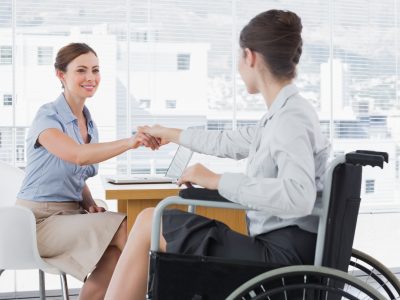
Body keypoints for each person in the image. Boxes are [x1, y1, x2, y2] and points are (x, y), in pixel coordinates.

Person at [104, 9, 331, 300]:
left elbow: (299, 196)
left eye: (239, 58)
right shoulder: (283, 114)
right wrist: (171, 134)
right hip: (279, 249)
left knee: (151, 220)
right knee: (154, 220)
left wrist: (215, 179)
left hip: (280, 260)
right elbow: (228, 141)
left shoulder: (290, 120)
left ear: (250, 57)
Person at [15, 43, 159, 300]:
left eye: (95, 70)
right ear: (61, 75)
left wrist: (90, 203)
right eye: (81, 70)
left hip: (70, 215)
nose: (91, 77)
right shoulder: (46, 117)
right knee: (129, 229)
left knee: (115, 256)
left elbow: (75, 175)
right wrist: (130, 141)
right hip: (36, 222)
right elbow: (77, 156)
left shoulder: (88, 122)